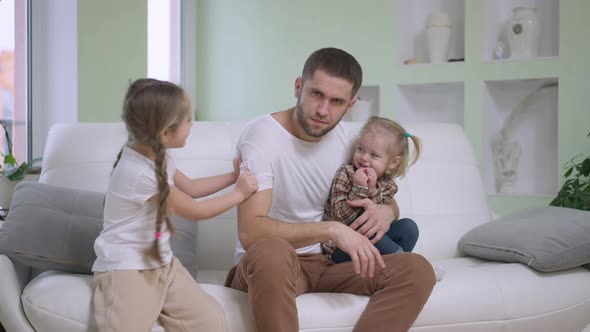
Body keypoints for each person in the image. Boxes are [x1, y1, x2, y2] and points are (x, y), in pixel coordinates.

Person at [225, 47, 435, 332]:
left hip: (331, 263)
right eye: (316, 94)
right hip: (273, 265)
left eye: (337, 101)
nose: (324, 111)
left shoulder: (349, 140)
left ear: (351, 105)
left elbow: (384, 195)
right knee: (272, 252)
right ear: (299, 86)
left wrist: (386, 211)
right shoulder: (262, 136)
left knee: (417, 269)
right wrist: (332, 230)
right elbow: (251, 232)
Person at [92, 78, 258, 332]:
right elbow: (196, 210)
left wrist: (232, 177)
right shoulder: (139, 173)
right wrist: (239, 194)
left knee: (211, 321)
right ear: (165, 132)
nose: (192, 126)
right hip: (128, 269)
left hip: (162, 264)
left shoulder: (155, 154)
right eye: (188, 120)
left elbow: (190, 187)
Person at [322, 116, 421, 264]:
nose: (364, 158)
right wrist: (359, 188)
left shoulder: (388, 186)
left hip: (370, 241)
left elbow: (380, 220)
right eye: (360, 149)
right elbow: (340, 217)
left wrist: (373, 189)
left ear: (393, 163)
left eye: (374, 155)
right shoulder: (346, 174)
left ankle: (392, 267)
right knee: (372, 235)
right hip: (341, 247)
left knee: (409, 227)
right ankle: (407, 264)